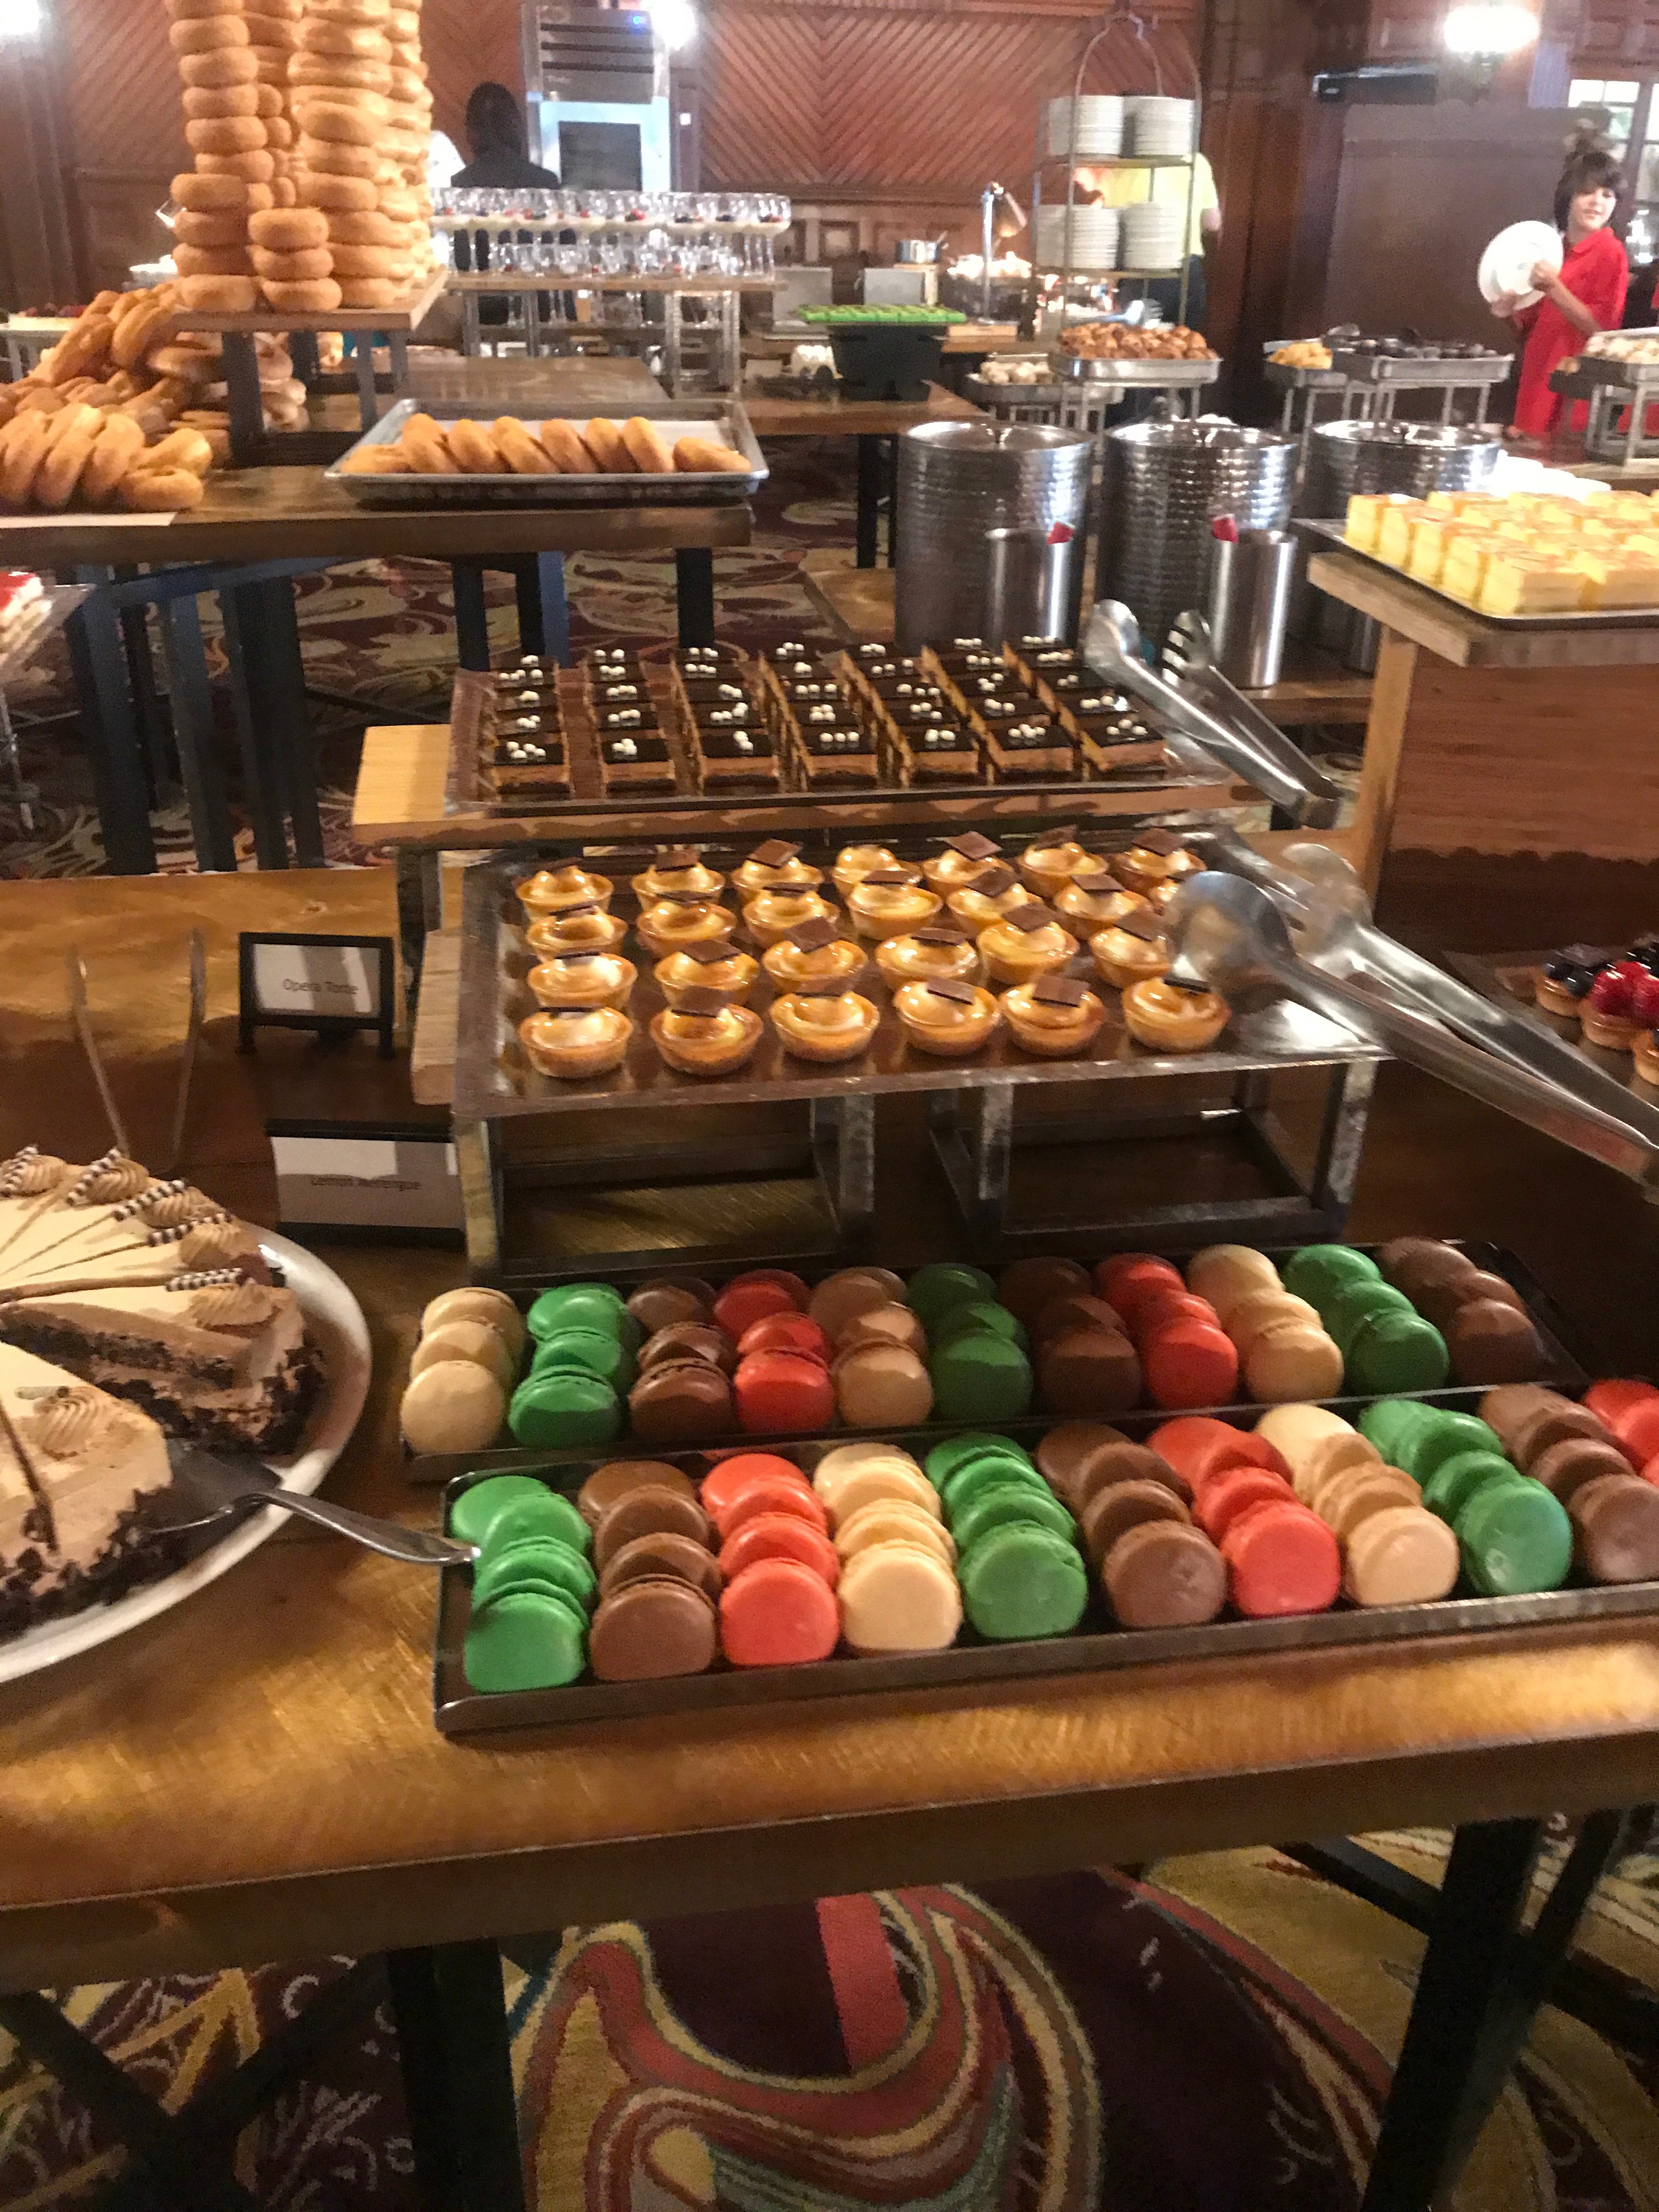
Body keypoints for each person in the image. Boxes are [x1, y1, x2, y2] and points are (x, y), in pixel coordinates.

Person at [1492, 133, 1627, 439]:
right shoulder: (1550, 250)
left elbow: (1602, 330)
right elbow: (1526, 331)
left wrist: (1554, 287)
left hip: (1575, 391)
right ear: (1569, 197)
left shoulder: (1611, 252)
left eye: (1608, 195)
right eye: (1587, 192)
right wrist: (1507, 312)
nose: (1597, 202)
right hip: (1536, 381)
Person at [1096, 148, 1219, 333]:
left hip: (1142, 274)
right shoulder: (1197, 161)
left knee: (1134, 345)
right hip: (1188, 273)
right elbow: (1213, 223)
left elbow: (1111, 233)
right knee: (1184, 344)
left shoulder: (1120, 169)